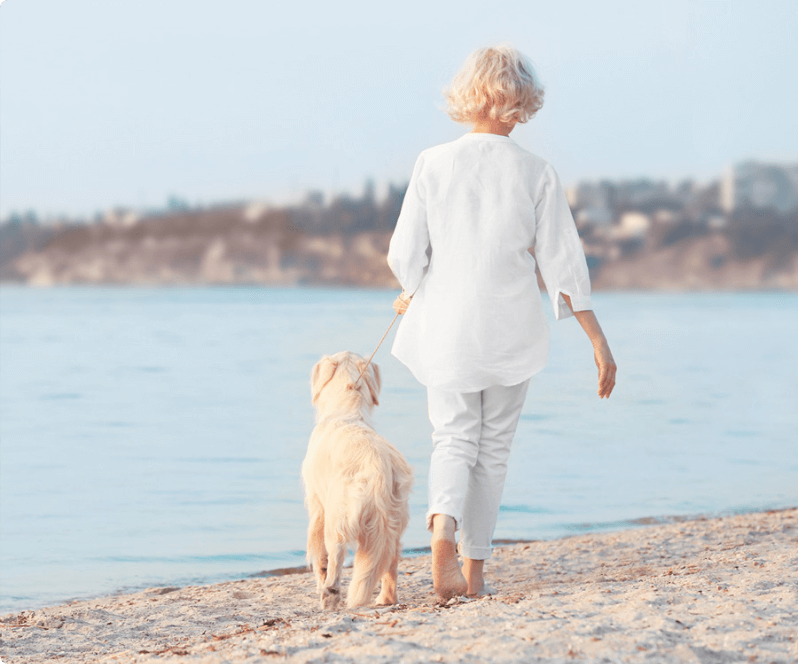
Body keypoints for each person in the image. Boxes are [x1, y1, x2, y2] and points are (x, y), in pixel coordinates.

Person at [386, 44, 617, 601]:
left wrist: (412, 287)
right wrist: (597, 339)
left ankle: (442, 525)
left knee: (453, 436)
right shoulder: (537, 172)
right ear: (520, 100)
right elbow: (562, 264)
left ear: (471, 93)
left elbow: (403, 254)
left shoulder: (432, 163)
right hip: (510, 326)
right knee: (493, 449)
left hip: (447, 326)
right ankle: (475, 572)